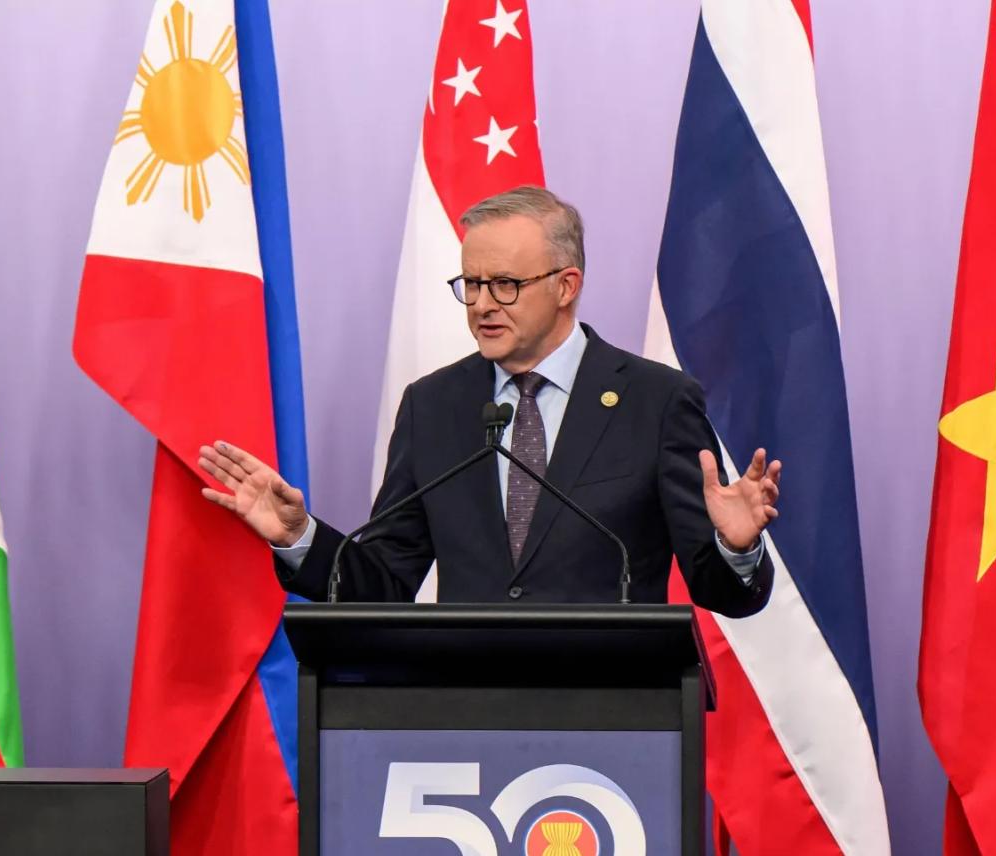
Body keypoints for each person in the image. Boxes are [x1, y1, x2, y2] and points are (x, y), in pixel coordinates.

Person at [199, 186, 781, 617]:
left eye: (505, 284)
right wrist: (299, 535)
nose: (482, 304)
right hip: (468, 721)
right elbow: (381, 582)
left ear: (566, 286)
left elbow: (722, 594)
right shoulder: (434, 405)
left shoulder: (656, 402)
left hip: (616, 725)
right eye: (471, 285)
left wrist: (736, 546)